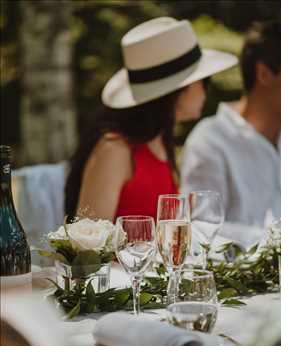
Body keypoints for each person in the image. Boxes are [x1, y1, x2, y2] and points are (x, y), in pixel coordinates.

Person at [65, 17, 237, 221]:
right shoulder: (115, 150)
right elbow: (87, 247)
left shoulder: (161, 143)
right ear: (176, 91)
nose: (206, 90)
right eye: (204, 80)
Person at [181, 21, 281, 240]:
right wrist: (280, 241)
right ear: (264, 73)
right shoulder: (210, 141)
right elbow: (199, 231)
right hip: (242, 275)